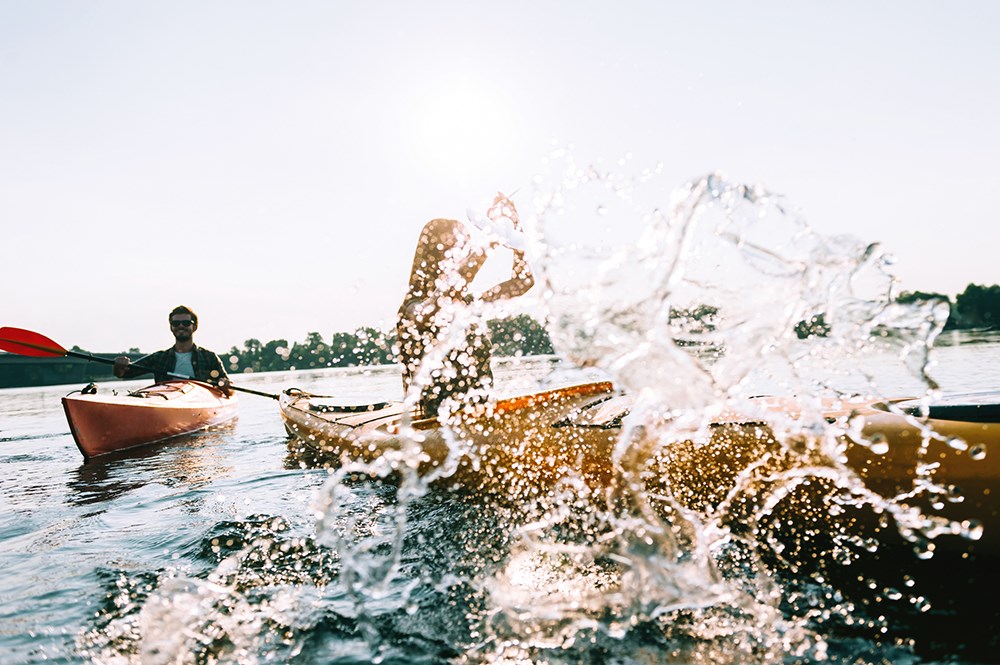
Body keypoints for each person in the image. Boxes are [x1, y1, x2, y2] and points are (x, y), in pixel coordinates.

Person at [396, 193, 534, 418]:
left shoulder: (467, 304)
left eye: (466, 248)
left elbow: (522, 283)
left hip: (481, 416)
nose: (464, 257)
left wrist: (516, 235)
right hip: (435, 426)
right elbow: (442, 301)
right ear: (433, 257)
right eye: (457, 250)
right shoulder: (413, 311)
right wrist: (489, 241)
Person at [113, 305, 231, 395]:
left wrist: (225, 385)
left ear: (194, 327)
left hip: (200, 402)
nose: (181, 326)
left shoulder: (209, 357)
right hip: (168, 402)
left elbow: (229, 390)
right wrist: (119, 366)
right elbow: (124, 374)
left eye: (186, 323)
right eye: (176, 323)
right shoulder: (159, 358)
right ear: (171, 327)